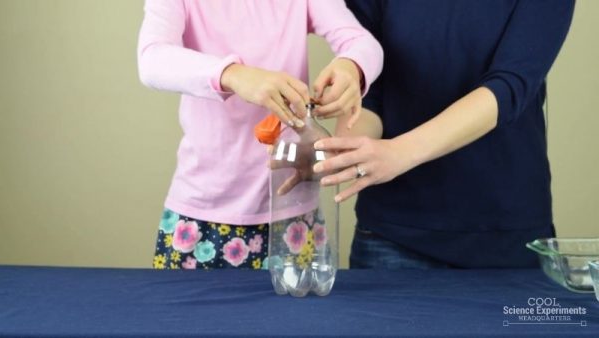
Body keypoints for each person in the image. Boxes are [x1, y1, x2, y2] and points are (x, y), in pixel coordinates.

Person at [312, 0, 575, 269]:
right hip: (392, 236)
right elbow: (370, 91)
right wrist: (343, 153)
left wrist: (398, 153)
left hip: (506, 231)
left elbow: (510, 86)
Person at [137, 0, 383, 269]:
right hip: (198, 215)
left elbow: (362, 42)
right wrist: (233, 74)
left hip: (293, 215)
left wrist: (351, 66)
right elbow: (152, 59)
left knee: (299, 312)